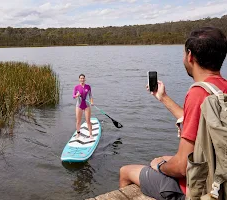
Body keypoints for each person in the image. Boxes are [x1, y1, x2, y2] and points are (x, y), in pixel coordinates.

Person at [119, 26, 227, 200]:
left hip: (199, 190)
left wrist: (160, 166)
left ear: (190, 56)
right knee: (163, 158)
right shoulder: (221, 89)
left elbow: (181, 166)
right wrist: (163, 98)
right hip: (219, 176)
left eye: (184, 54)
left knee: (126, 171)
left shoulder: (198, 93)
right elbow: (199, 122)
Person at [73, 74, 94, 139]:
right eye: (81, 78)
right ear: (79, 79)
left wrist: (92, 102)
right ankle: (78, 133)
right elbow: (73, 96)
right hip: (79, 106)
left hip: (87, 105)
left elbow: (90, 96)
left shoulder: (88, 87)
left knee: (88, 121)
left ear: (85, 79)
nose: (82, 79)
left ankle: (90, 134)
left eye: (83, 78)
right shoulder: (76, 87)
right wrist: (77, 95)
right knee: (78, 121)